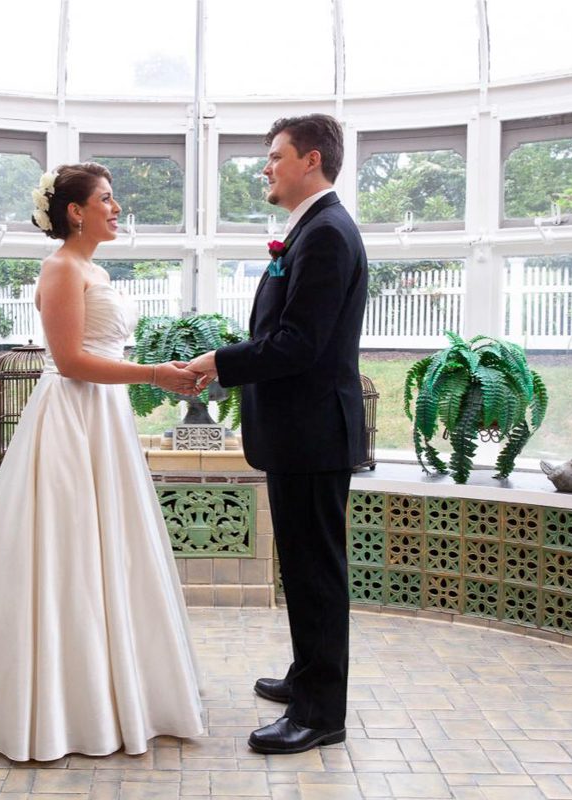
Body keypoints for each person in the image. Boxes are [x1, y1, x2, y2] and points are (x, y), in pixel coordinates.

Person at [0, 163, 204, 761]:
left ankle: (115, 690)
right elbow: (72, 360)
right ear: (75, 211)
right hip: (71, 420)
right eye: (106, 199)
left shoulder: (93, 268)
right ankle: (55, 708)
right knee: (69, 553)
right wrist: (156, 374)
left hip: (104, 419)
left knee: (111, 552)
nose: (116, 208)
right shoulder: (59, 268)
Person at [188, 115, 368, 754]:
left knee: (316, 572)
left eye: (275, 156)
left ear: (310, 160)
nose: (266, 167)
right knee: (302, 565)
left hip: (315, 435)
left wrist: (220, 363)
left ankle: (322, 715)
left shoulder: (326, 235)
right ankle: (306, 678)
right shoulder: (310, 230)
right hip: (302, 434)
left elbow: (299, 344)